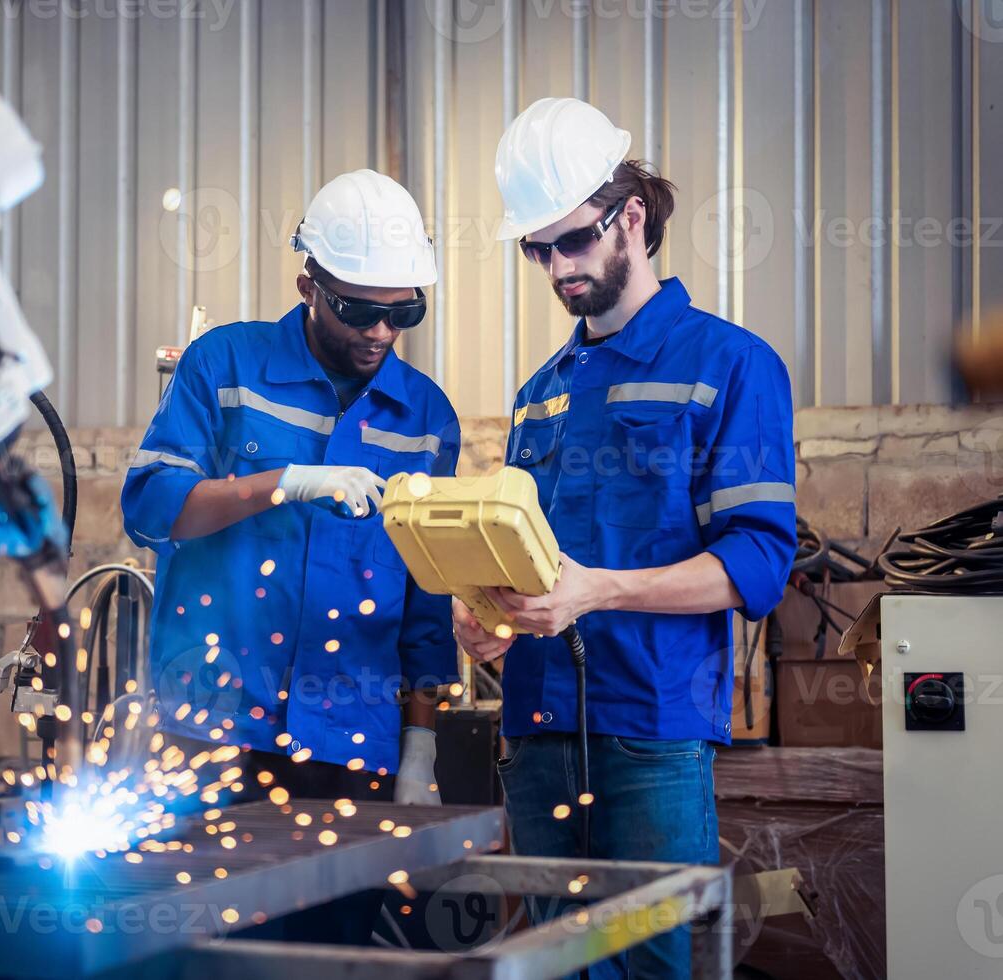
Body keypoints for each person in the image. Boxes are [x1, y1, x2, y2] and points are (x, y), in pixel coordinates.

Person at [457, 97, 797, 978]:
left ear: (631, 218)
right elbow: (528, 556)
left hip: (648, 728)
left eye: (573, 240)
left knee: (648, 966)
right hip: (534, 731)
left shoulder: (732, 364)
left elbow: (758, 561)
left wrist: (597, 590)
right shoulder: (541, 392)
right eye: (537, 250)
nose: (557, 266)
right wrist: (490, 618)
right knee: (553, 967)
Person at [121, 169, 460, 940]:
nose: (380, 331)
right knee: (207, 955)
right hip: (211, 734)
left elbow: (425, 603)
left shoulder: (426, 417)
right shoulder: (224, 369)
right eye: (359, 310)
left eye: (403, 310)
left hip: (350, 744)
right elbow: (149, 509)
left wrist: (421, 744)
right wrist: (281, 483)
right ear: (309, 284)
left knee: (327, 957)